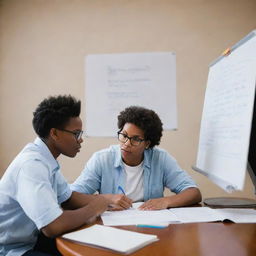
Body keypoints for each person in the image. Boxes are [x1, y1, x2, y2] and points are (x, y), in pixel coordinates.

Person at [0, 95, 111, 256]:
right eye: (76, 133)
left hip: (29, 238)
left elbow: (68, 198)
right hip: (9, 249)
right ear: (54, 133)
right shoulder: (31, 165)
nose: (80, 140)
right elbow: (52, 226)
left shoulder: (45, 158)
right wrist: (93, 208)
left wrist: (106, 202)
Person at [71, 106, 202, 211]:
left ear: (147, 144)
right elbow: (73, 197)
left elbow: (193, 193)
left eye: (136, 139)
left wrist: (166, 201)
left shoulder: (160, 159)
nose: (126, 143)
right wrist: (106, 199)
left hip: (151, 226)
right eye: (124, 135)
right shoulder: (102, 160)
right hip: (113, 229)